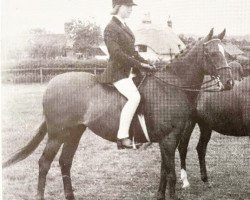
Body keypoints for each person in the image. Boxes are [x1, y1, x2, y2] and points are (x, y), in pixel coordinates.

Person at [97, 0, 154, 149]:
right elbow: (116, 54)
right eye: (128, 6)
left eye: (131, 7)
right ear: (118, 7)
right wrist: (139, 64)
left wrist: (146, 62)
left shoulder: (124, 26)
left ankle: (144, 133)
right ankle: (122, 137)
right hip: (117, 73)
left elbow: (132, 52)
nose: (130, 9)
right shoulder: (110, 28)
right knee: (135, 97)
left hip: (130, 72)